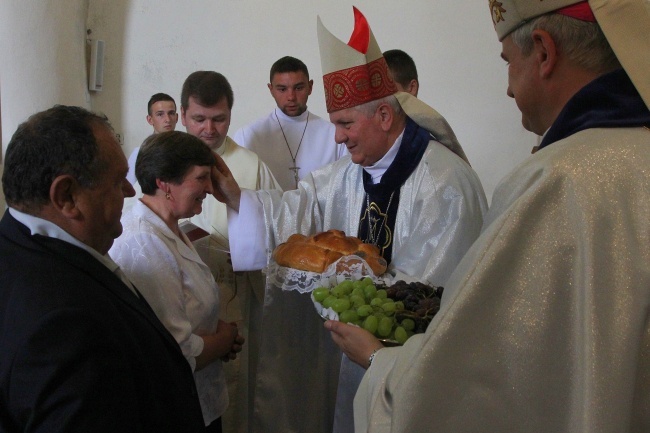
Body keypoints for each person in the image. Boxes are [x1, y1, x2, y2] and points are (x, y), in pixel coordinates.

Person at [325, 0, 650, 431]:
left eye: (508, 63)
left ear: (544, 51)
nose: (509, 90)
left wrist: (377, 360)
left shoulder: (553, 182)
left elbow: (476, 379)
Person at [210, 8, 487, 433]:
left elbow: (439, 295)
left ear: (384, 116)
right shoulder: (345, 173)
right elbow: (300, 211)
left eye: (344, 123)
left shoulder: (446, 184)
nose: (336, 137)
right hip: (351, 355)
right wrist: (237, 197)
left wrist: (373, 325)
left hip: (406, 368)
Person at [0, 105, 205, 432]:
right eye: (116, 181)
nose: (128, 192)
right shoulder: (62, 325)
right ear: (67, 196)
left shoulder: (18, 245)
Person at [110, 131, 245, 432]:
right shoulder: (145, 240)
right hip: (175, 411)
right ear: (163, 182)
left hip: (200, 400)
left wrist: (219, 332)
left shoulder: (169, 226)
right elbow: (175, 351)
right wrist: (223, 340)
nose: (210, 189)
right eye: (201, 178)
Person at [180, 70, 281, 433]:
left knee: (235, 390)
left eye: (219, 119)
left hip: (236, 292)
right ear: (182, 115)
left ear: (230, 115)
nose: (210, 129)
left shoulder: (252, 165)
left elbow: (278, 228)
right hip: (180, 295)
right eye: (200, 119)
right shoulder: (160, 161)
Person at [233, 56, 347, 190]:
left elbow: (345, 187)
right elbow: (242, 193)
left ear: (310, 87)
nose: (291, 97)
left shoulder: (335, 134)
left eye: (298, 88)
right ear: (271, 90)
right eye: (282, 89)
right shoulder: (249, 135)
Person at [127, 92, 178, 184]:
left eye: (171, 113)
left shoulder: (185, 151)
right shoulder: (139, 153)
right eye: (160, 114)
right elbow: (129, 188)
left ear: (177, 117)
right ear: (150, 119)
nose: (167, 119)